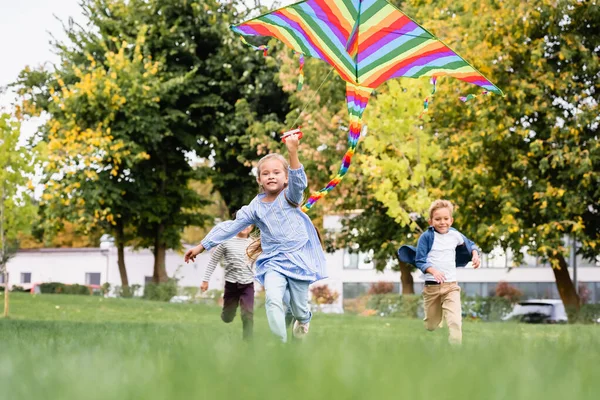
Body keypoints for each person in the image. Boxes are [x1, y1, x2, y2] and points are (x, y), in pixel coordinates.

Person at [185, 134, 326, 343]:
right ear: (259, 180)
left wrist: (292, 152)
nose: (271, 176)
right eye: (266, 173)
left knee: (298, 307)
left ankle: (304, 319)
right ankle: (280, 343)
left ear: (285, 178)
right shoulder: (255, 207)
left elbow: (299, 182)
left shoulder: (290, 197)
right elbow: (231, 227)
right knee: (272, 300)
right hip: (273, 261)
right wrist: (202, 246)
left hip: (298, 258)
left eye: (277, 172)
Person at [397, 200, 481, 344]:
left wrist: (475, 254)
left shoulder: (455, 235)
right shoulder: (426, 237)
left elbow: (470, 244)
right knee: (431, 325)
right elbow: (420, 260)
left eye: (446, 219)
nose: (442, 222)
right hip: (432, 287)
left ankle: (455, 350)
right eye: (438, 219)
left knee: (455, 321)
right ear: (431, 221)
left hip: (451, 286)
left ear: (451, 220)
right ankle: (438, 316)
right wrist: (433, 271)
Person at [201, 225, 255, 340]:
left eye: (249, 224)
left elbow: (260, 263)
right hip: (231, 285)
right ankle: (227, 314)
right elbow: (213, 261)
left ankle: (248, 342)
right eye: (243, 223)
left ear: (253, 226)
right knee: (228, 318)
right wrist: (205, 280)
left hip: (248, 284)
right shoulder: (226, 242)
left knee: (248, 313)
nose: (245, 227)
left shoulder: (253, 243)